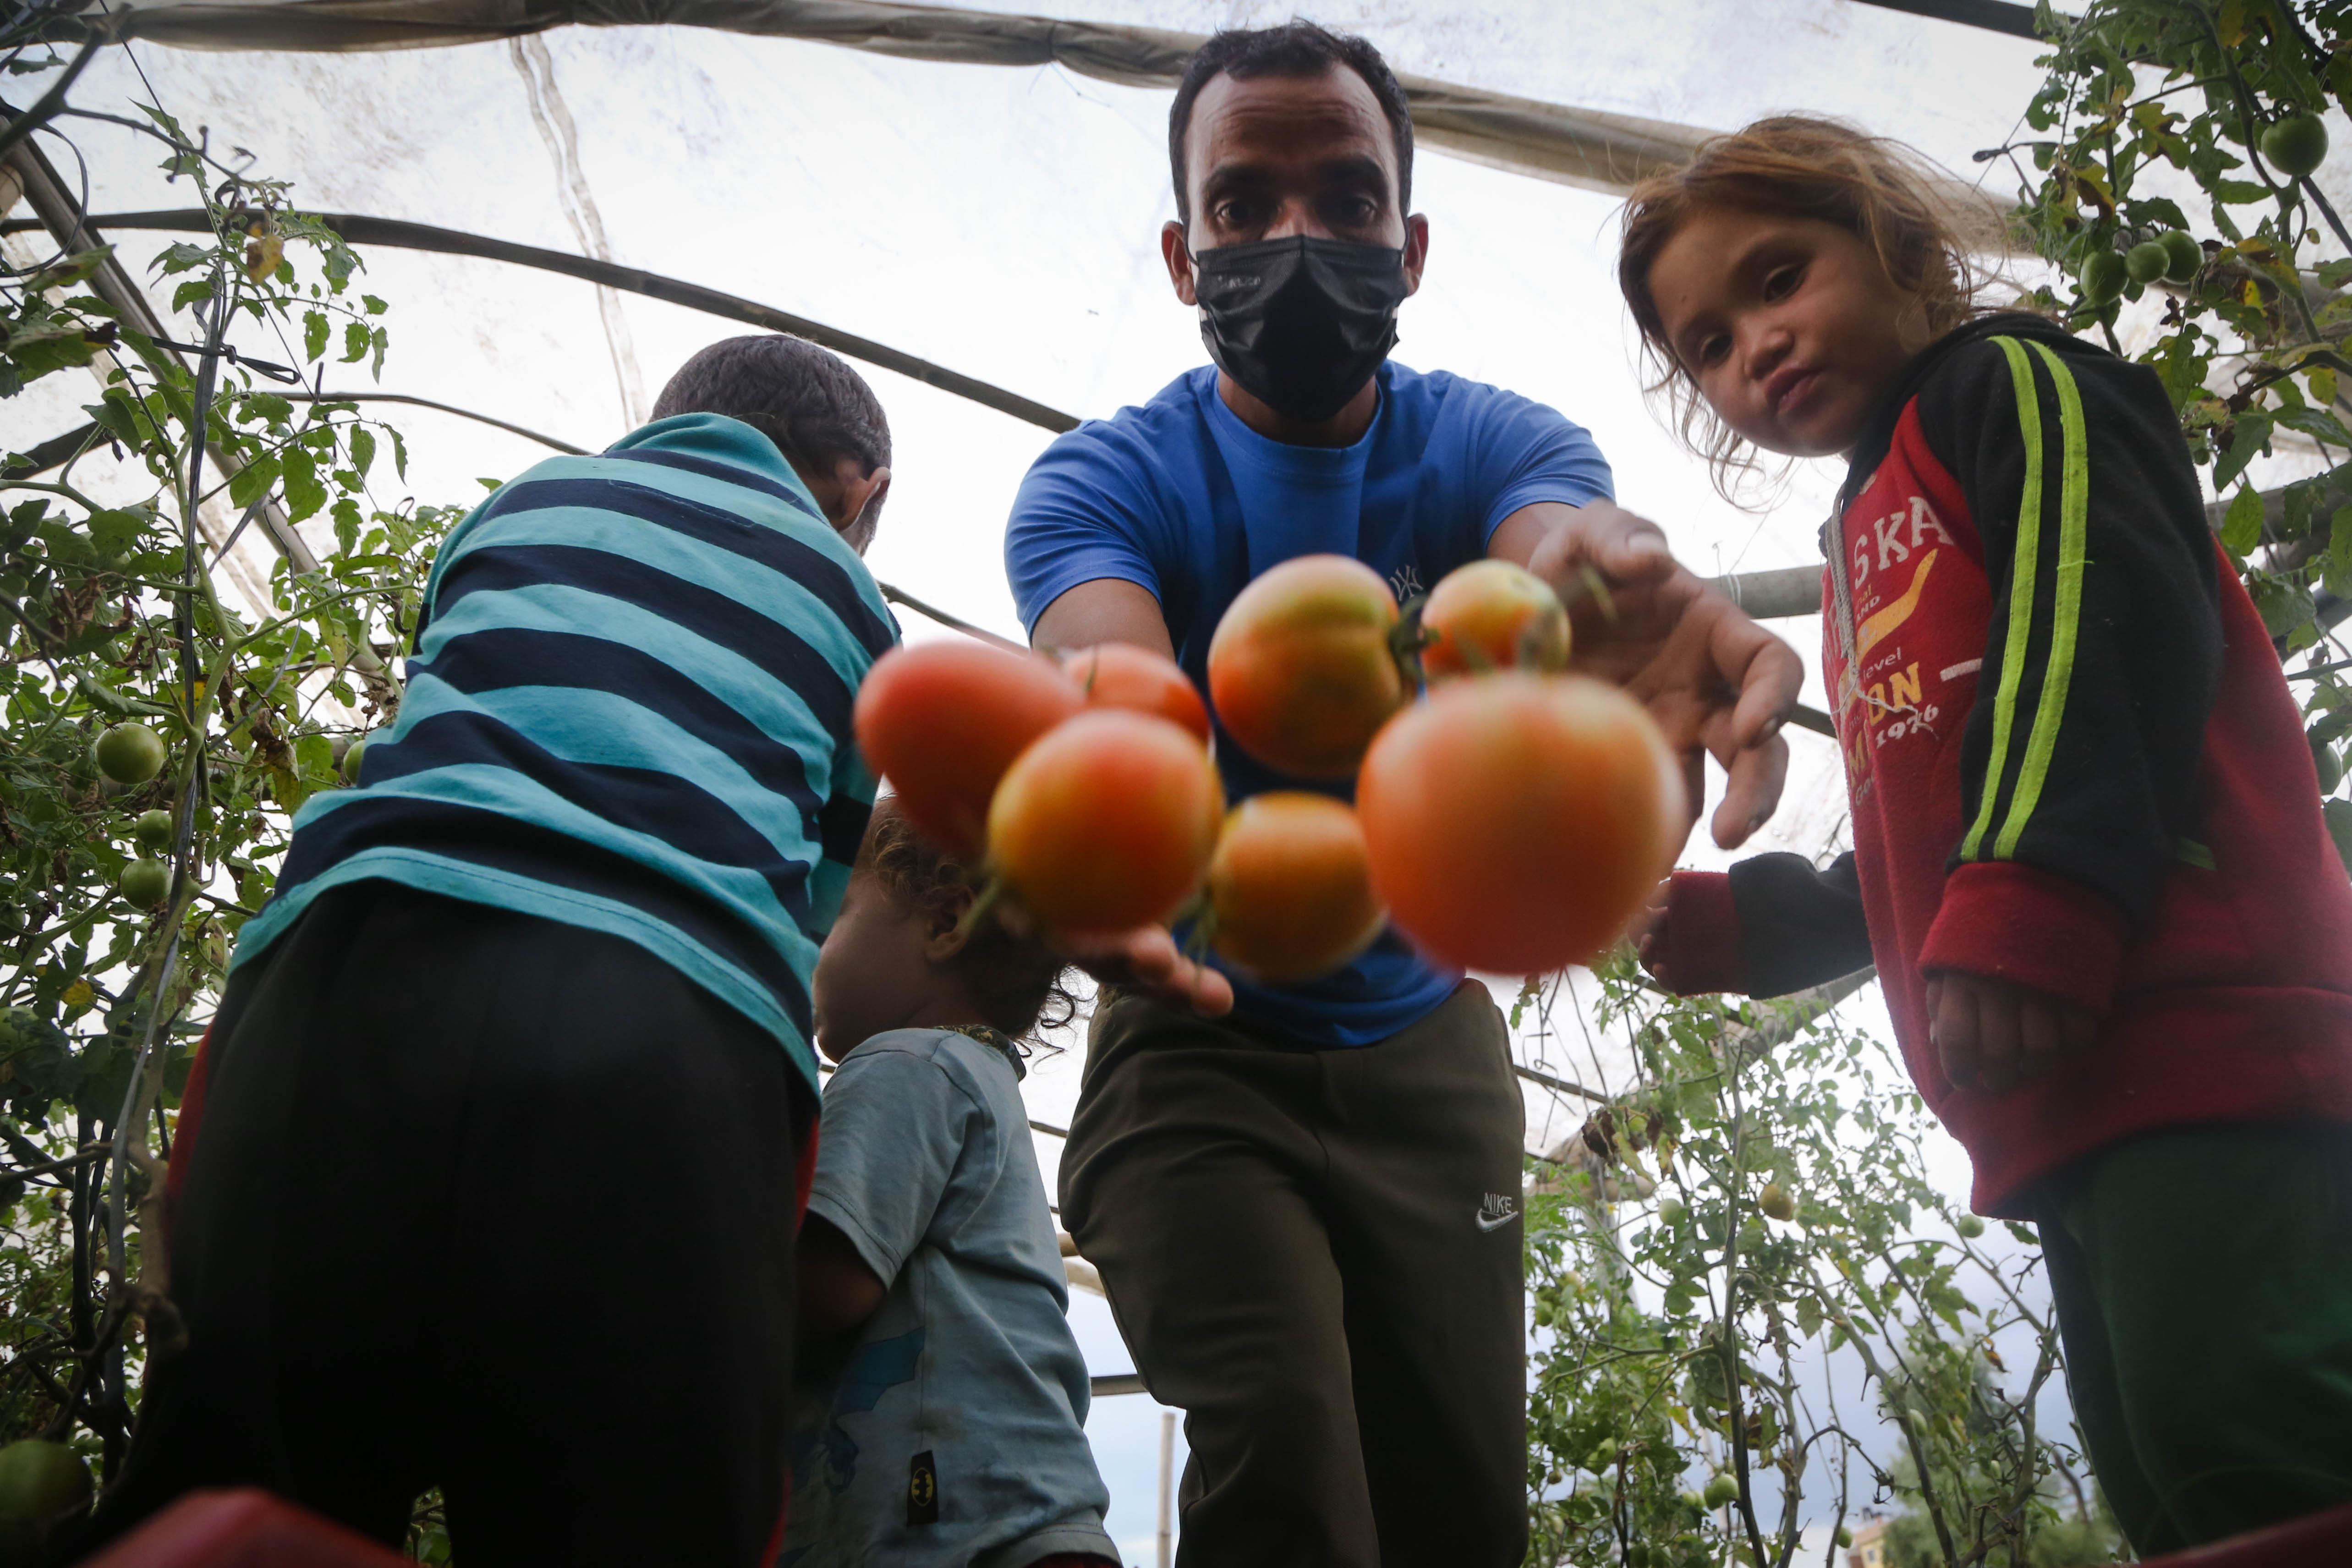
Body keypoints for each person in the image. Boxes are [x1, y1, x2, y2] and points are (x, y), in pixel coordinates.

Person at [82, 334, 1223, 1567]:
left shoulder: (517, 508)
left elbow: (438, 703)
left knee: (240, 1465)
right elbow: (804, 894)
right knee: (635, 1507)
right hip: (662, 1021)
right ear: (861, 492)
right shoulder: (849, 605)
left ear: (661, 430)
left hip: (342, 973)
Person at [1001, 24, 1802, 1567]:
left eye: (1346, 199)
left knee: (1457, 1506)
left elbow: (1560, 531)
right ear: (1182, 255)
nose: (1295, 240)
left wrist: (1601, 582)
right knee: (1290, 1469)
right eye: (1243, 206)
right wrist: (1104, 761)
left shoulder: (1487, 440)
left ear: (1410, 243)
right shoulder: (1107, 481)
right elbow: (1105, 665)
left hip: (1427, 1049)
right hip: (1194, 1049)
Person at [1620, 115, 2352, 1555]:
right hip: (2059, 1077)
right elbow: (1928, 836)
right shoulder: (1857, 534)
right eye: (1706, 343)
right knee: (2174, 1482)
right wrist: (1749, 923)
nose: (1752, 348)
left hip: (2197, 1019)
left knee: (2269, 1436)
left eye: (1779, 278)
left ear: (1898, 248)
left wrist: (2027, 899)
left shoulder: (2009, 387)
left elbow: (2097, 618)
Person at [783, 797, 1118, 1568]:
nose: (808, 949)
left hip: (960, 1530)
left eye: (831, 916)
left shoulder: (904, 1062)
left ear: (946, 923)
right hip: (1027, 1519)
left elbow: (826, 1283)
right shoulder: (975, 1075)